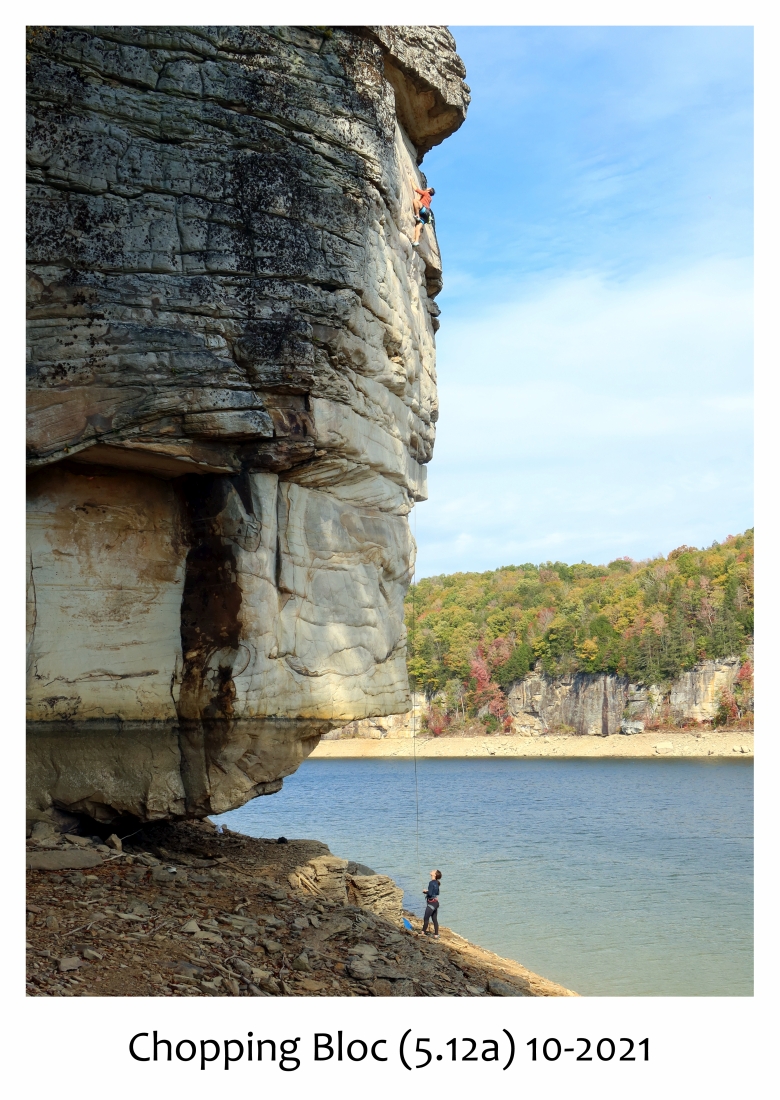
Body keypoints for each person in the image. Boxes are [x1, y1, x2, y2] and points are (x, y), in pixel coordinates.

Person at [422, 868, 442, 936]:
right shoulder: (436, 883)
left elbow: (430, 894)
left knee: (426, 918)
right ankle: (436, 935)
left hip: (431, 903)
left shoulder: (431, 883)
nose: (432, 870)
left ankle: (422, 932)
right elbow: (437, 892)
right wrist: (428, 892)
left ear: (435, 875)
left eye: (434, 871)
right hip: (436, 903)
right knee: (434, 919)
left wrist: (425, 891)